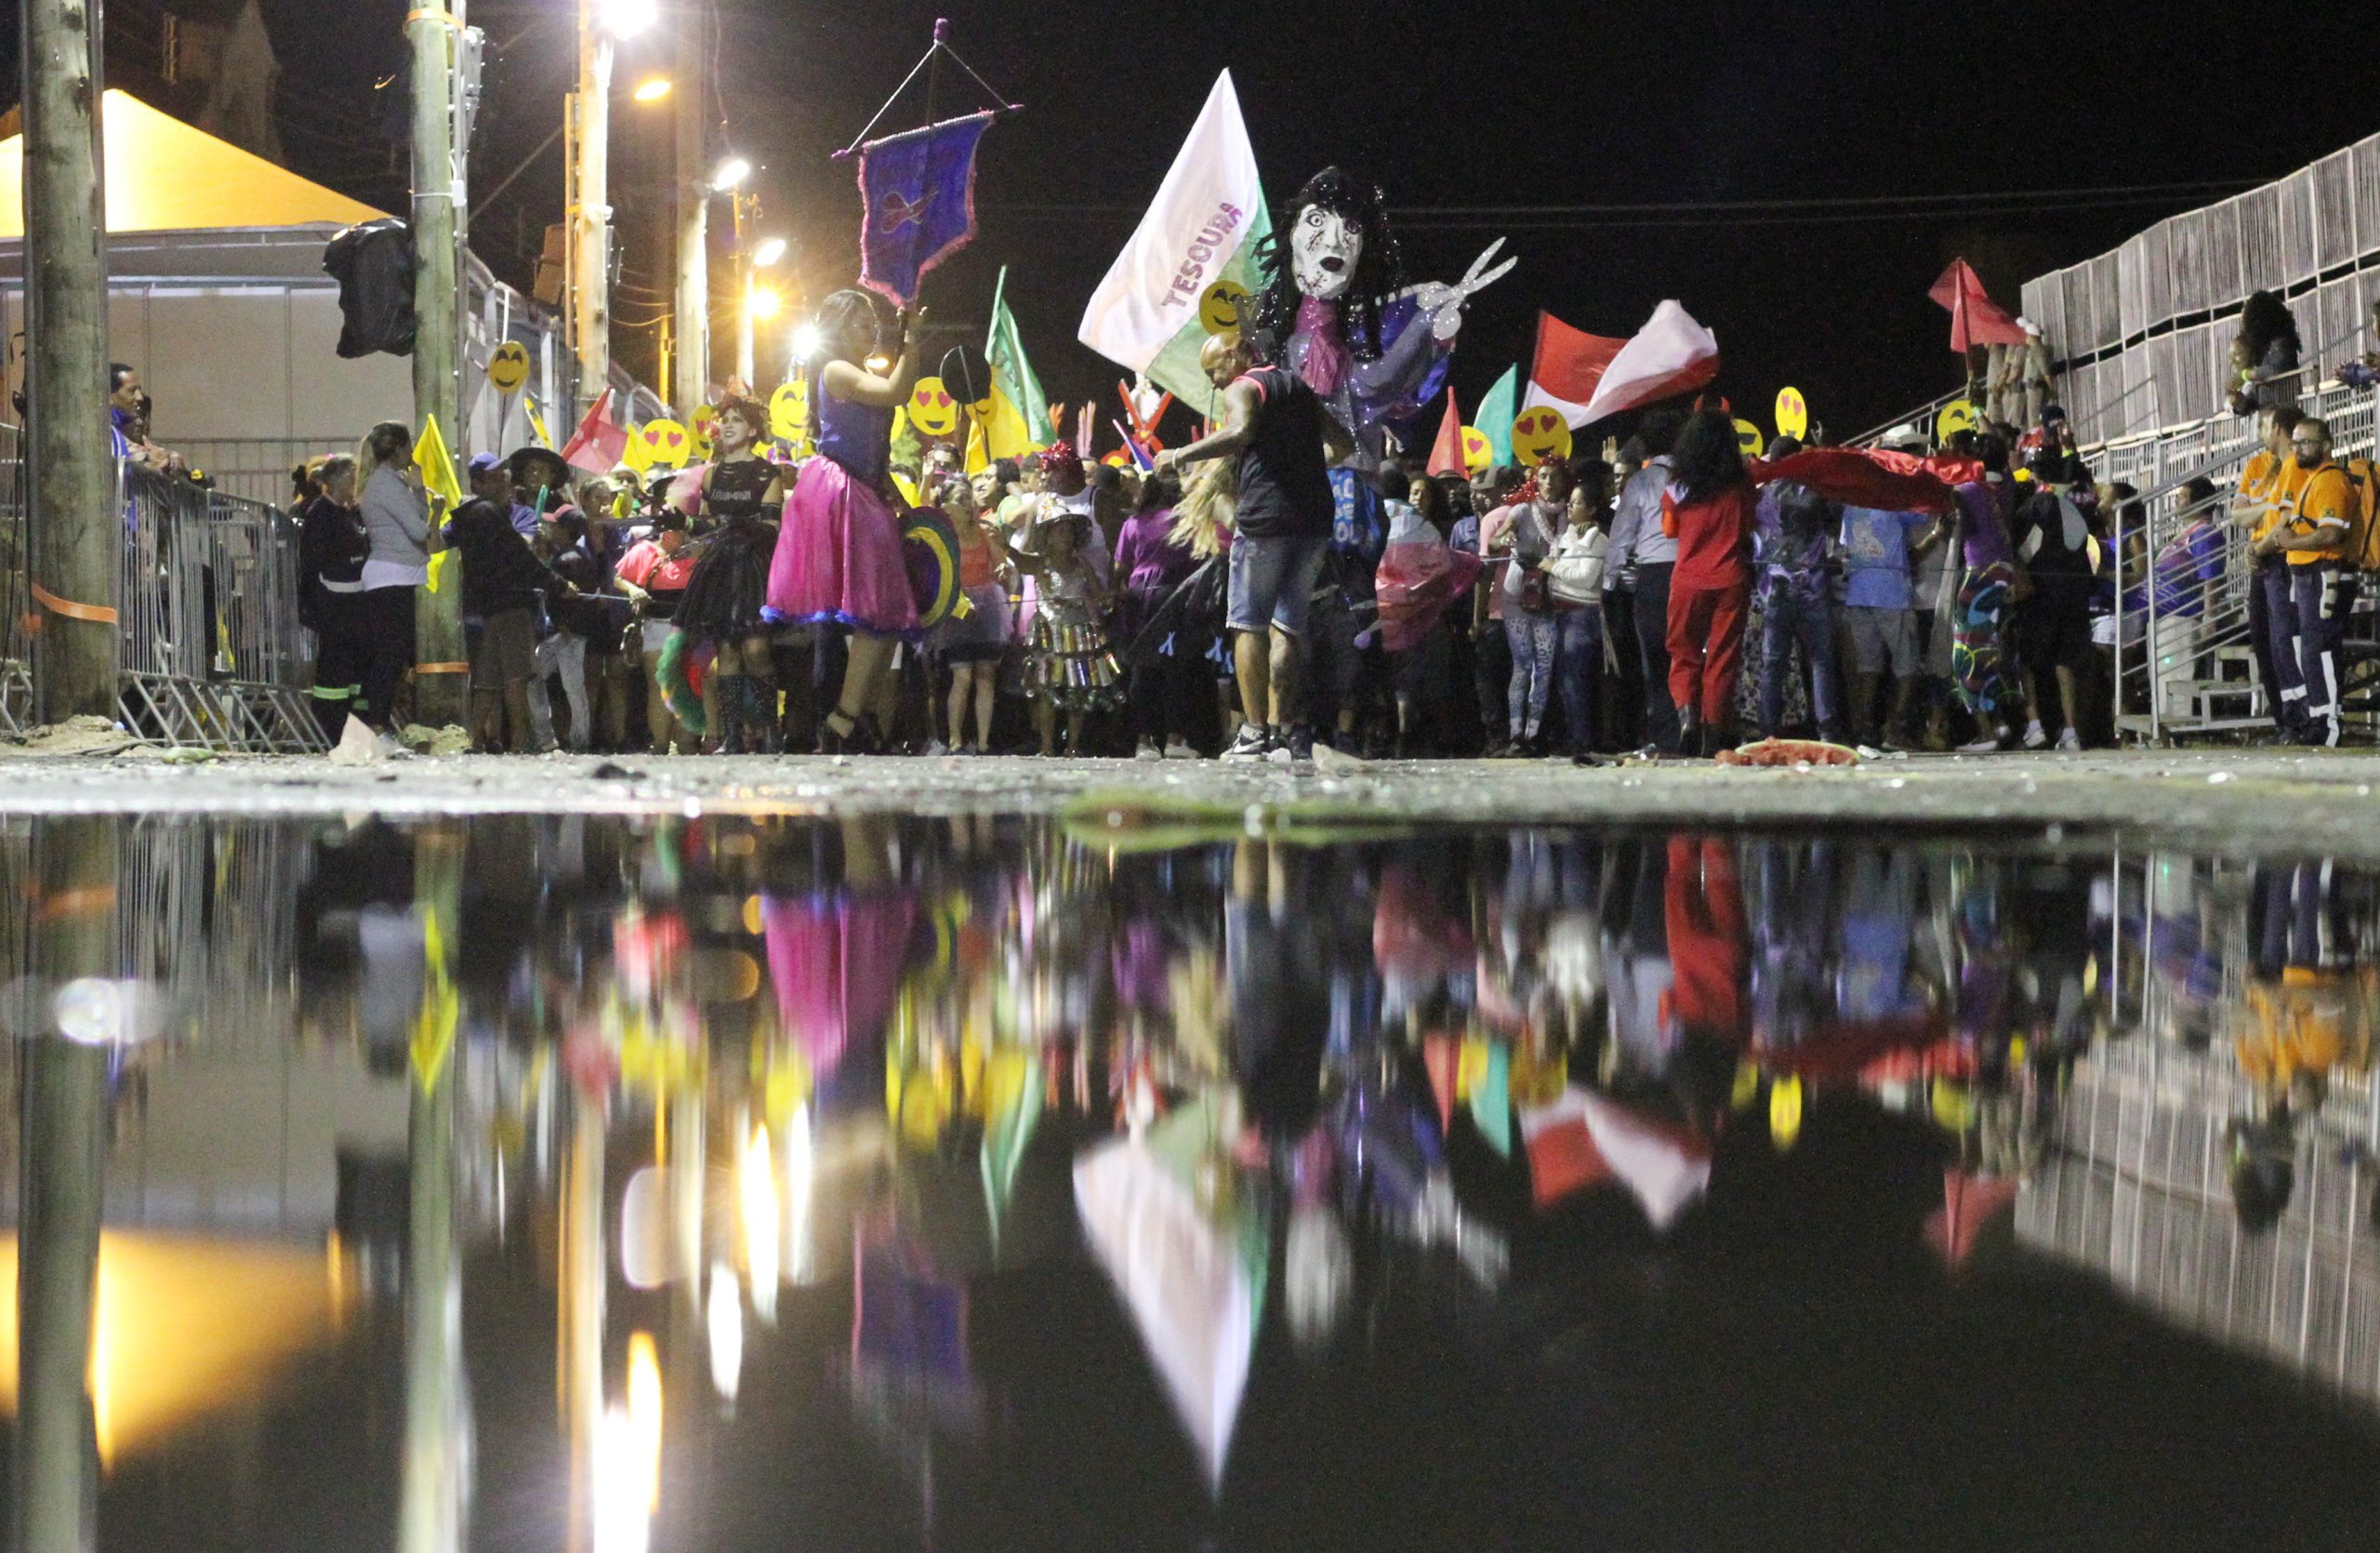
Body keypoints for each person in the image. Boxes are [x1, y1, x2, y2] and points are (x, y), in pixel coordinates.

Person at [1157, 330, 1352, 765]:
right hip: (1314, 520)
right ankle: (1283, 733)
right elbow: (1343, 444)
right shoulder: (1299, 388)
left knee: (1249, 624)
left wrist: (1179, 455)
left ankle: (1253, 733)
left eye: (1213, 371)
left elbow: (1241, 431)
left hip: (1266, 520)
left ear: (1234, 356)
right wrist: (1302, 463)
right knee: (1289, 626)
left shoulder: (1243, 388)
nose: (1213, 383)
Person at [766, 288, 929, 753]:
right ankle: (843, 721)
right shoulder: (836, 370)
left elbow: (878, 439)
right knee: (874, 608)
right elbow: (898, 391)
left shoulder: (854, 371)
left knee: (886, 612)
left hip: (866, 488)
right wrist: (910, 339)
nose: (873, 331)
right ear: (839, 330)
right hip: (842, 491)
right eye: (864, 324)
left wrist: (892, 491)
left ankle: (856, 717)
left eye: (875, 324)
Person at [674, 394, 785, 752]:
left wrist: (740, 527)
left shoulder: (768, 473)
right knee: (728, 651)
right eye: (724, 419)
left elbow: (772, 526)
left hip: (753, 566)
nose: (728, 425)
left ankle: (770, 730)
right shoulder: (710, 476)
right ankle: (732, 736)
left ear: (752, 429)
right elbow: (707, 526)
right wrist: (686, 523)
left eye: (737, 419)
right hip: (721, 566)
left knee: (755, 648)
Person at [2254, 416, 2361, 747]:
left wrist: (2289, 544)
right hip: (2307, 574)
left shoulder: (2329, 479)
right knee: (2311, 649)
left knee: (2320, 649)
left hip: (2322, 573)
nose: (2298, 448)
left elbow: (2330, 533)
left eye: (2306, 442)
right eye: (2296, 442)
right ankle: (2317, 719)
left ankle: (2327, 723)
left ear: (2326, 445)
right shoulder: (2313, 478)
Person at [1659, 410, 1758, 757]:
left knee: (1683, 653)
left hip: (1688, 579)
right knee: (1722, 658)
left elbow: (1668, 530)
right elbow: (1748, 525)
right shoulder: (1741, 483)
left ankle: (1687, 718)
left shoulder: (1679, 483)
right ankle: (1713, 735)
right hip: (1730, 578)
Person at [445, 452, 556, 752]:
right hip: (508, 604)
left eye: (504, 477)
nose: (504, 483)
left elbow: (523, 546)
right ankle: (518, 741)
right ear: (477, 483)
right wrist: (557, 584)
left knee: (489, 678)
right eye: (494, 478)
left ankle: (477, 739)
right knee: (516, 676)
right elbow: (523, 555)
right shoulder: (485, 514)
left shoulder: (474, 514)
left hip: (491, 607)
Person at [1009, 506, 1120, 755]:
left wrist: (1109, 598)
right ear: (1048, 536)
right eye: (1060, 532)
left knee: (1077, 690)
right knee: (1047, 689)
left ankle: (1072, 746)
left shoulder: (1082, 563)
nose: (1065, 537)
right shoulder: (1041, 563)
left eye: (1069, 532)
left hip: (1079, 633)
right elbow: (1018, 559)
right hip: (1048, 633)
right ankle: (1047, 746)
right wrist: (1000, 545)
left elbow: (1098, 593)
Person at [1752, 445, 1845, 744]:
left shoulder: (1761, 495)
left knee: (1773, 664)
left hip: (1775, 590)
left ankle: (1768, 731)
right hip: (1812, 589)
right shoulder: (1815, 491)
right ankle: (1827, 732)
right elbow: (1836, 517)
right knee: (1820, 661)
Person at [354, 419, 441, 739]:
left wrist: (418, 491)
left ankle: (379, 725)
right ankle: (375, 728)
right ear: (400, 449)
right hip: (391, 577)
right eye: (409, 448)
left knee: (394, 658)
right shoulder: (386, 485)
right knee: (388, 659)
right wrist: (428, 501)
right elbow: (419, 530)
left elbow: (416, 519)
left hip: (399, 575)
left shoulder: (391, 483)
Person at [2011, 452, 2100, 750]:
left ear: (2038, 477)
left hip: (2040, 593)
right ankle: (2071, 731)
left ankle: (2035, 725)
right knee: (2066, 662)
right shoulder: (2078, 509)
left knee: (2026, 660)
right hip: (2074, 592)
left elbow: (2027, 550)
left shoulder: (2037, 506)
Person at [1112, 469, 1203, 760]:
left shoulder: (1133, 522)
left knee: (1142, 669)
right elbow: (1198, 558)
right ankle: (1174, 740)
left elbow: (1120, 569)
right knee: (1175, 668)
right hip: (1174, 596)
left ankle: (1143, 741)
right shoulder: (1183, 520)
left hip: (1140, 599)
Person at [1609, 409, 1685, 753]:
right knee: (1685, 656)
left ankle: (1666, 736)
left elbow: (1621, 536)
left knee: (1654, 661)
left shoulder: (1640, 482)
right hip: (1687, 573)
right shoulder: (1691, 477)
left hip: (1653, 576)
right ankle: (1691, 731)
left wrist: (1609, 582)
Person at [1838, 494, 1940, 749]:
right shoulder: (1893, 502)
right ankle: (1896, 730)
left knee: (1868, 669)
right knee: (1906, 666)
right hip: (1891, 593)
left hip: (1859, 593)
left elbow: (1846, 544)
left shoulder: (1851, 506)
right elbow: (1926, 512)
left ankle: (1866, 731)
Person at [1946, 432, 2027, 752]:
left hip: (1979, 572)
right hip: (2004, 570)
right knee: (1992, 651)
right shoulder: (2006, 485)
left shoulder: (1965, 491)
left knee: (1967, 653)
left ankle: (1985, 731)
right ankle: (1998, 723)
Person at [2234, 406, 2311, 740]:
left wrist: (2259, 544)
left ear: (2277, 428)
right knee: (2264, 642)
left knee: (2286, 641)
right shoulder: (2257, 466)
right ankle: (2285, 723)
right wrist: (2263, 513)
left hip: (2280, 558)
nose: (2259, 434)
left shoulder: (2295, 466)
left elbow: (2286, 518)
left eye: (2263, 426)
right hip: (2261, 560)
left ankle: (2301, 722)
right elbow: (2238, 516)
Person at [929, 465, 1013, 756]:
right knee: (961, 677)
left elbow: (1002, 564)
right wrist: (960, 601)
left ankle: (984, 741)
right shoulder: (944, 536)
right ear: (947, 504)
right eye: (959, 498)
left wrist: (1002, 568)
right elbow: (936, 575)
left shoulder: (982, 532)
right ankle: (955, 739)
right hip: (957, 610)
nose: (966, 503)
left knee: (985, 675)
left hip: (987, 608)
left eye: (968, 498)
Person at [541, 508, 631, 751]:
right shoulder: (575, 554)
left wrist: (565, 624)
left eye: (556, 526)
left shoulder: (569, 559)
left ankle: (579, 740)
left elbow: (576, 598)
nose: (551, 530)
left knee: (572, 688)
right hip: (569, 632)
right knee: (545, 679)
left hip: (568, 633)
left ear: (565, 530)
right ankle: (564, 736)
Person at [1497, 460, 1571, 756]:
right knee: (1522, 664)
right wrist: (1504, 538)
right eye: (1543, 476)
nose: (1549, 481)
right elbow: (1494, 539)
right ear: (1535, 481)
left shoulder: (1569, 512)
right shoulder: (1523, 510)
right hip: (1517, 592)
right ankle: (1516, 734)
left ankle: (1534, 733)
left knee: (1544, 668)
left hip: (1550, 595)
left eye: (1554, 476)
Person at [298, 452, 371, 743]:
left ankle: (350, 729)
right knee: (333, 673)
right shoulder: (320, 514)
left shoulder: (346, 512)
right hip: (334, 605)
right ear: (341, 479)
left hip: (352, 603)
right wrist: (314, 606)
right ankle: (330, 730)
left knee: (352, 673)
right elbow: (313, 564)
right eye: (353, 477)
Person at [614, 510, 698, 752]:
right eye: (673, 531)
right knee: (659, 685)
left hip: (686, 626)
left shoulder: (695, 552)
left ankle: (686, 741)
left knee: (686, 682)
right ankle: (660, 743)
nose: (679, 536)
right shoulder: (644, 551)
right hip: (656, 624)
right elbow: (618, 578)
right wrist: (633, 590)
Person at [1542, 465, 1611, 760]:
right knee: (1564, 681)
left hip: (1583, 615)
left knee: (1576, 680)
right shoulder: (1568, 537)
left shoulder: (1599, 540)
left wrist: (1551, 566)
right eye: (1569, 502)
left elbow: (1584, 576)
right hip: (1561, 615)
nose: (1570, 507)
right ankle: (1574, 737)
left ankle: (1582, 740)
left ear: (1593, 508)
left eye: (1577, 502)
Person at [1456, 465, 1526, 753]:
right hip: (1530, 612)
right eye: (1475, 493)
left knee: (1489, 679)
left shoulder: (1493, 520)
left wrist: (1476, 618)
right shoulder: (1533, 513)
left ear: (1501, 491)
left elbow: (1484, 575)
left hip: (1497, 612)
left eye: (1485, 492)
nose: (1479, 498)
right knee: (1521, 675)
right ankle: (1522, 736)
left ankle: (1497, 736)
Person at [2234, 289, 2304, 415]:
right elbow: (2258, 393)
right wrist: (2240, 402)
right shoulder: (2266, 350)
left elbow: (2274, 371)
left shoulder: (2282, 344)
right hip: (2269, 415)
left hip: (2284, 414)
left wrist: (2245, 375)